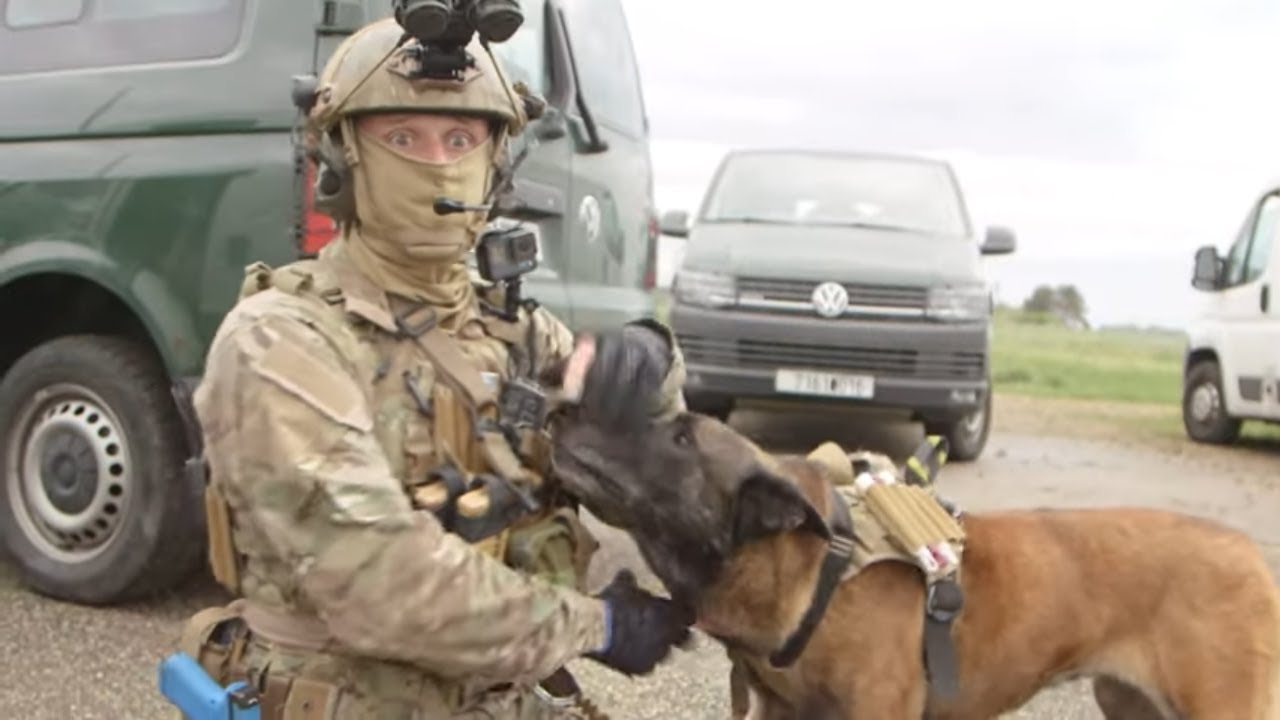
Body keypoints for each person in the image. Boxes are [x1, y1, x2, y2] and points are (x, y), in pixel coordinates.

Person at [175, 16, 692, 719]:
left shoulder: (514, 330)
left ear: (496, 161)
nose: (439, 164)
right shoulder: (282, 340)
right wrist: (595, 626)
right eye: (402, 138)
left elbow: (647, 460)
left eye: (460, 139)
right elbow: (378, 586)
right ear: (343, 158)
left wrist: (648, 360)